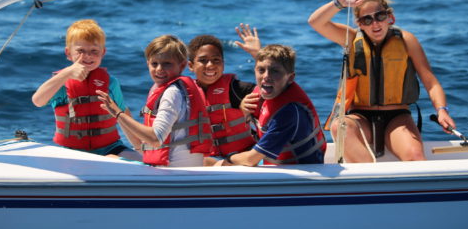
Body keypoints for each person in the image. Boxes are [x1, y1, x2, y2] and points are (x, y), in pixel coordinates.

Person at [307, 0, 456, 162]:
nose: (374, 24)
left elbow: (430, 81)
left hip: (397, 117)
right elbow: (315, 22)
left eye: (380, 16)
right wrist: (340, 2)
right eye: (367, 19)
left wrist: (442, 110)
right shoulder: (351, 38)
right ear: (359, 23)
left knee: (416, 157)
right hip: (361, 117)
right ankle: (371, 179)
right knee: (340, 126)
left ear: (390, 17)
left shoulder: (406, 41)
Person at [31, 19, 140, 160]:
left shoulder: (111, 83)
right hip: (72, 152)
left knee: (144, 163)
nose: (87, 56)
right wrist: (66, 74)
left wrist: (139, 148)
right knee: (111, 161)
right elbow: (37, 101)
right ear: (68, 53)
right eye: (81, 51)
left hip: (111, 147)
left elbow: (123, 114)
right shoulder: (61, 83)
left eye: (94, 51)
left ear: (103, 52)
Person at [98, 35, 212, 167]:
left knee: (108, 159)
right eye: (154, 63)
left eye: (166, 63)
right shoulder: (173, 89)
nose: (159, 69)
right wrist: (119, 115)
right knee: (116, 151)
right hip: (179, 168)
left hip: (172, 173)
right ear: (148, 64)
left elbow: (155, 139)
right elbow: (142, 147)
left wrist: (118, 114)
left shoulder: (172, 93)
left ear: (182, 66)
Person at [216, 44, 326, 166]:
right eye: (261, 70)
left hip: (299, 175)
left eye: (275, 71)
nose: (266, 76)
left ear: (290, 78)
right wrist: (244, 107)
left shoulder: (290, 112)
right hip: (276, 167)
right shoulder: (264, 93)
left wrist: (227, 160)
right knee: (208, 160)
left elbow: (250, 160)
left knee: (216, 163)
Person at [187, 23, 260, 165]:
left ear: (223, 63)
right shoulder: (185, 94)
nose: (210, 65)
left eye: (216, 60)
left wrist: (258, 55)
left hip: (242, 158)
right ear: (191, 66)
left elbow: (273, 90)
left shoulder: (236, 89)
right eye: (203, 60)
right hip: (209, 160)